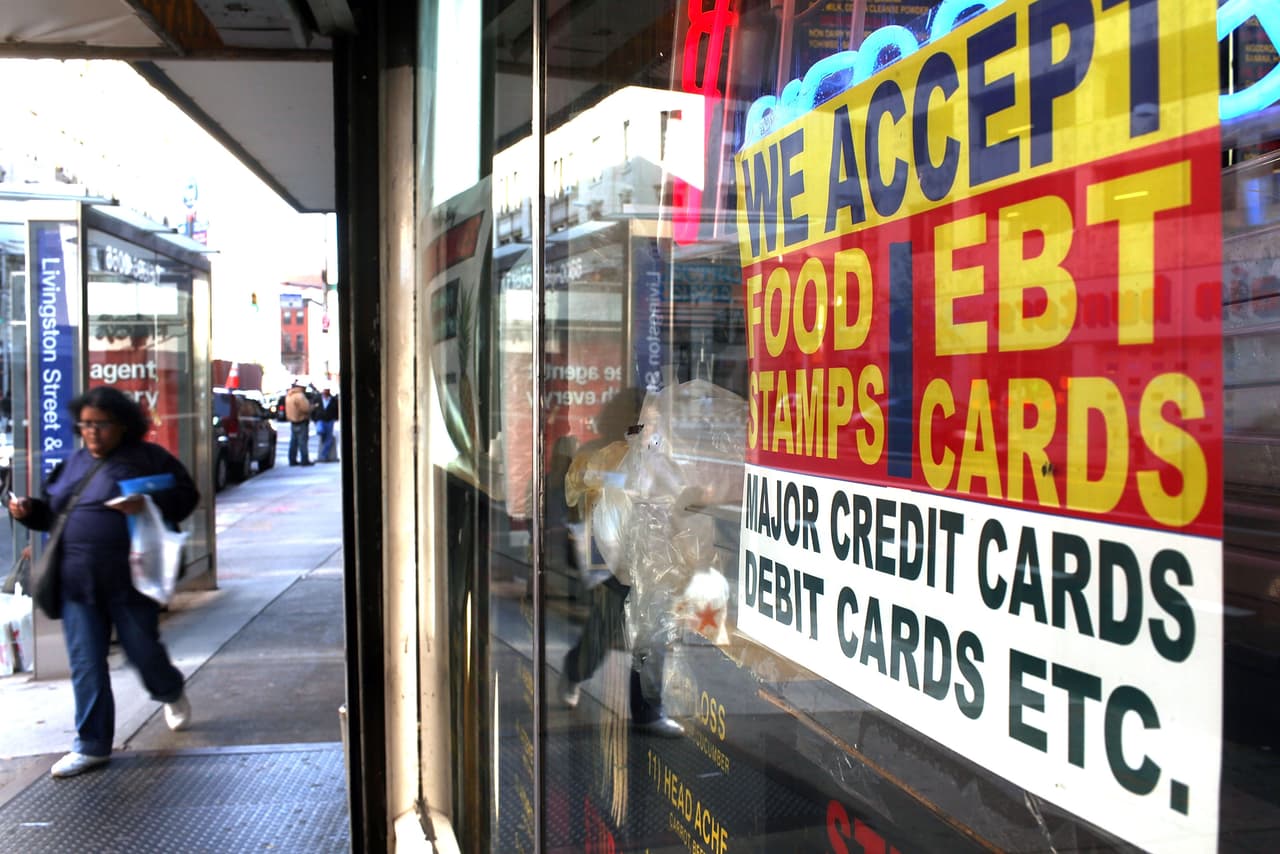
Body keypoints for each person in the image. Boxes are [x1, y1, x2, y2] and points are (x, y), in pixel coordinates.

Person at [7, 386, 199, 778]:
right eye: (86, 425)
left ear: (124, 425)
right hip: (78, 583)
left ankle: (169, 691)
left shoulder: (148, 459)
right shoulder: (74, 463)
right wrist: (28, 511)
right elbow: (52, 516)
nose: (92, 433)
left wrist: (147, 503)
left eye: (102, 425)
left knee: (143, 651)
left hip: (130, 580)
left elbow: (186, 497)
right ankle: (92, 745)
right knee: (86, 664)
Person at [285, 382, 314, 466]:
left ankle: (292, 460)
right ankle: (304, 460)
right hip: (301, 421)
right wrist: (312, 407)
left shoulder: (289, 395)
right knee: (302, 442)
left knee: (293, 442)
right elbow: (306, 408)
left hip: (293, 421)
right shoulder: (300, 396)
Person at [313, 384, 339, 462]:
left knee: (329, 438)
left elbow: (336, 409)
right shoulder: (317, 399)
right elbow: (313, 409)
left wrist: (335, 418)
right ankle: (323, 455)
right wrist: (314, 419)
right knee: (321, 431)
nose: (325, 392)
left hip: (329, 420)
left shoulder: (333, 400)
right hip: (320, 419)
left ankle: (324, 455)